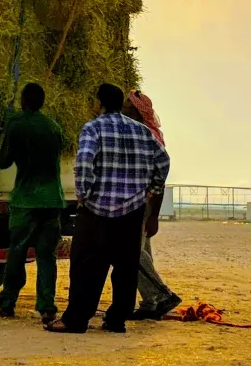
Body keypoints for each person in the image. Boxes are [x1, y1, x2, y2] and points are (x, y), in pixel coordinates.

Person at [47, 84, 169, 335]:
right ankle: (117, 320)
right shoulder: (142, 131)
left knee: (85, 266)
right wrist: (152, 189)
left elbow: (84, 164)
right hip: (132, 211)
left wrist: (84, 196)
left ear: (99, 103)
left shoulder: (93, 128)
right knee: (125, 268)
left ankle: (76, 320)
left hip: (96, 211)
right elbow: (163, 162)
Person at [0, 82, 66, 324]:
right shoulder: (54, 126)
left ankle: (7, 303)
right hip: (52, 198)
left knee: (17, 251)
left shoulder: (16, 125)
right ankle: (47, 306)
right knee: (47, 255)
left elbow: (4, 160)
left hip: (26, 199)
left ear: (23, 101)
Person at [122, 90, 181, 321]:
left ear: (136, 110)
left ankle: (161, 294)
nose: (123, 107)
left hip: (141, 201)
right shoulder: (147, 133)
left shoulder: (147, 136)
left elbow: (160, 176)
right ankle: (150, 303)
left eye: (127, 104)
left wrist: (153, 214)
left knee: (131, 252)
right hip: (143, 201)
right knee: (143, 252)